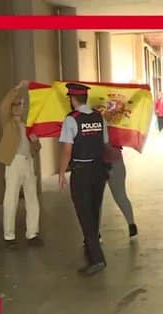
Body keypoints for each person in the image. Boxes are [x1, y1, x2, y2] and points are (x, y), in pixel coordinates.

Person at [58, 82, 109, 276]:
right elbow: (104, 142)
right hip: (99, 170)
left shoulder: (72, 119)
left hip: (81, 171)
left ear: (72, 99)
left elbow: (66, 150)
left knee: (84, 214)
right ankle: (91, 249)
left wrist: (62, 172)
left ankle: (97, 259)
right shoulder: (98, 117)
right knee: (94, 211)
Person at [0, 80, 42, 247]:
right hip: (13, 161)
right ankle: (9, 235)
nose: (18, 107)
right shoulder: (7, 122)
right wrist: (17, 89)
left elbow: (36, 146)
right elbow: (3, 106)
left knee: (32, 198)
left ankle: (32, 233)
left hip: (28, 161)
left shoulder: (26, 124)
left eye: (20, 104)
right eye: (15, 104)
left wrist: (35, 141)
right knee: (11, 198)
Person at [103, 145, 138, 238]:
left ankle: (93, 234)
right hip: (114, 161)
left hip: (104, 162)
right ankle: (131, 225)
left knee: (96, 200)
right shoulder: (116, 131)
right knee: (120, 196)